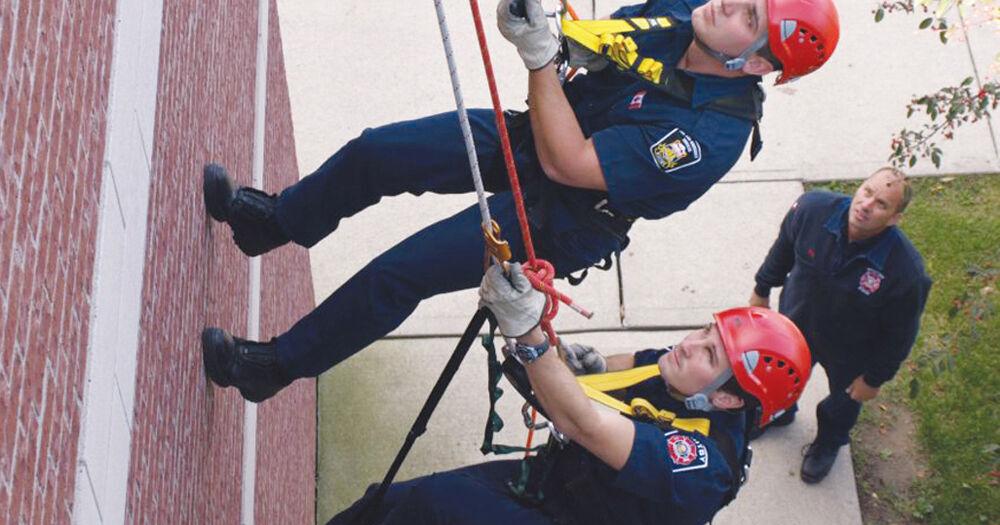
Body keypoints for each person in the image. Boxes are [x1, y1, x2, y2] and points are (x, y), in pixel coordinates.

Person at [200, 0, 840, 403]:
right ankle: (275, 222)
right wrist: (542, 29)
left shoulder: (706, 139)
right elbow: (598, 44)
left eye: (749, 20)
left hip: (563, 216)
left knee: (404, 271)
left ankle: (274, 366)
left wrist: (538, 60)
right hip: (543, 131)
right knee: (380, 154)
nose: (729, 5)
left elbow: (572, 163)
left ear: (756, 67)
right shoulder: (694, 14)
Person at [323, 263, 811, 525]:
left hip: (577, 508)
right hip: (559, 485)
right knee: (393, 503)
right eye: (705, 332)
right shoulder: (682, 371)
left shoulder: (700, 463)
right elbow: (610, 373)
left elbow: (584, 423)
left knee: (428, 508)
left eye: (710, 354)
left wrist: (531, 341)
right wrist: (561, 352)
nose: (688, 344)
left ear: (728, 400)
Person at [749, 167, 932, 484]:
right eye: (867, 192)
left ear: (894, 219)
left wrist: (874, 379)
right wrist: (762, 288)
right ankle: (780, 411)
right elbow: (783, 249)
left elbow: (900, 336)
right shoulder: (812, 210)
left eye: (881, 205)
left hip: (852, 351)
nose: (866, 205)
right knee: (778, 379)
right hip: (796, 326)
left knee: (842, 405)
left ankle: (828, 443)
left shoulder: (906, 273)